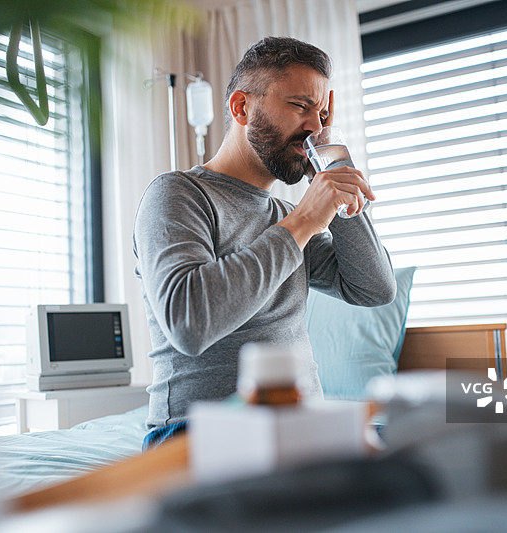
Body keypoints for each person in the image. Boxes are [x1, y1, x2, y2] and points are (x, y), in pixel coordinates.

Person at [133, 36, 396, 450]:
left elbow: (375, 289)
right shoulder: (177, 194)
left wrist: (330, 170)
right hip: (200, 431)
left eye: (322, 114)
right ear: (242, 107)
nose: (314, 127)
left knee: (430, 440)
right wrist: (305, 220)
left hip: (303, 426)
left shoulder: (286, 217)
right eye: (300, 106)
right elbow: (188, 322)